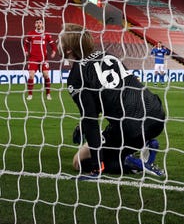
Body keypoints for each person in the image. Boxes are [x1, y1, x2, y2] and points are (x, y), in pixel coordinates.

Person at [59, 23, 166, 178]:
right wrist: (82, 127)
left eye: (60, 40)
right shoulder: (108, 55)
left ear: (69, 49)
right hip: (156, 114)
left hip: (131, 126)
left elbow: (91, 120)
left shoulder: (76, 76)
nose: (57, 43)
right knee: (115, 132)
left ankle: (131, 162)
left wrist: (96, 167)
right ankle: (146, 144)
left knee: (78, 161)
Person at [23, 19, 57, 100]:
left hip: (43, 59)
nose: (38, 24)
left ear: (42, 25)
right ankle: (30, 94)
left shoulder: (47, 35)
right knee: (31, 76)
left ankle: (48, 94)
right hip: (33, 59)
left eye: (40, 23)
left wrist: (54, 52)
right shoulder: (30, 34)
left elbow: (53, 46)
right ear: (35, 24)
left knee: (46, 75)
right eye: (37, 23)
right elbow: (25, 45)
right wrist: (26, 51)